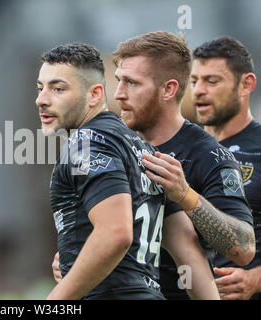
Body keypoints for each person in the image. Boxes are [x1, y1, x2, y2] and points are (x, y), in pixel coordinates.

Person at [39, 43, 219, 300]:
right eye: (40, 88)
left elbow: (115, 234)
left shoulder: (88, 141)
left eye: (58, 89)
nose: (42, 99)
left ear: (94, 95)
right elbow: (187, 249)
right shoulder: (147, 152)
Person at [111, 31, 255, 300]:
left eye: (131, 83)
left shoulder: (210, 156)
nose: (118, 94)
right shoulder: (113, 144)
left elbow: (244, 248)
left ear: (169, 89)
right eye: (119, 81)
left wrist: (185, 196)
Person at [190, 37, 261, 300]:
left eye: (212, 81)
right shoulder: (179, 148)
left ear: (246, 84)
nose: (198, 90)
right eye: (194, 81)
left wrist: (256, 279)